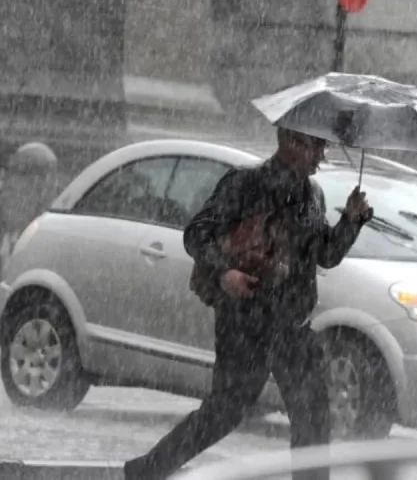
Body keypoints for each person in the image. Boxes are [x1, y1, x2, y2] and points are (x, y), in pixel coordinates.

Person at [124, 128, 372, 480]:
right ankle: (147, 471)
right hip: (246, 323)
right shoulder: (245, 184)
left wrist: (351, 220)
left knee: (314, 419)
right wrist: (224, 273)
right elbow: (196, 234)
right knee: (224, 413)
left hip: (293, 327)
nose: (322, 155)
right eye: (317, 146)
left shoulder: (312, 195)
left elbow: (326, 255)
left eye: (324, 147)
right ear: (290, 143)